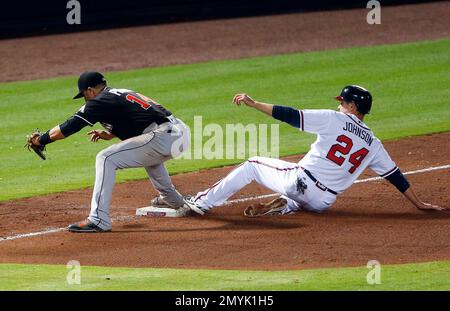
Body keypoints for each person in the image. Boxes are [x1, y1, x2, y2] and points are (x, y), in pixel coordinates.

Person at [184, 85, 448, 216]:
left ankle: (202, 202)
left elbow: (290, 115)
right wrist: (419, 204)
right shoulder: (373, 143)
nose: (339, 104)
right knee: (297, 194)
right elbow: (395, 176)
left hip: (299, 182)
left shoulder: (335, 120)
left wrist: (254, 104)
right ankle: (285, 205)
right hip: (323, 203)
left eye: (343, 101)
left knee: (252, 163)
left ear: (354, 107)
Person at [28, 71, 190, 232]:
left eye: (84, 95)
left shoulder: (99, 100)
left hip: (163, 136)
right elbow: (139, 117)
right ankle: (174, 200)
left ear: (90, 90)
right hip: (179, 132)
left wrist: (40, 140)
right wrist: (111, 134)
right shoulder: (119, 93)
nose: (85, 99)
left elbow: (68, 127)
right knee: (148, 155)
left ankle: (98, 219)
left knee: (105, 158)